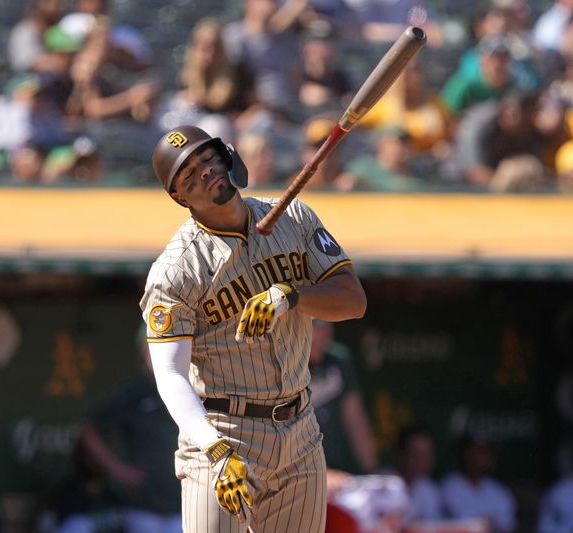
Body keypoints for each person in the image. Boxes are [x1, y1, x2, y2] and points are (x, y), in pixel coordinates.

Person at [141, 124, 367, 532]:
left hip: (300, 432)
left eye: (207, 158)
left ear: (225, 156)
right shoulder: (175, 271)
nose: (205, 171)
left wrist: (290, 294)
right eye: (189, 174)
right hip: (224, 432)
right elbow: (170, 373)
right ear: (179, 197)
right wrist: (215, 449)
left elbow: (353, 299)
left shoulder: (293, 216)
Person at [78, 331, 181, 533]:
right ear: (144, 352)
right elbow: (89, 430)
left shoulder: (187, 384)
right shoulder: (135, 392)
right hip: (144, 507)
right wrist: (118, 469)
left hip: (182, 502)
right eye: (153, 347)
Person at [308, 319, 377, 475]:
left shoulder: (338, 359)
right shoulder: (290, 361)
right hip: (300, 467)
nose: (323, 330)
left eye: (326, 324)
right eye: (316, 325)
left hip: (335, 464)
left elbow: (354, 418)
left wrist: (372, 469)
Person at [440, 433, 517, 533]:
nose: (484, 457)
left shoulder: (500, 492)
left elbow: (509, 527)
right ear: (465, 454)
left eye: (487, 452)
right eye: (479, 450)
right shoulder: (446, 489)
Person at [394, 424, 443, 525]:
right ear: (402, 454)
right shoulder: (382, 486)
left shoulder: (430, 490)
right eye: (416, 453)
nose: (422, 460)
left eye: (427, 454)